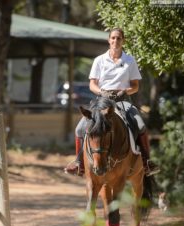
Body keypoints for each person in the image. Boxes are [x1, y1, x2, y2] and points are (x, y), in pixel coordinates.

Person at [65, 28, 160, 177]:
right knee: (79, 129)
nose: (116, 41)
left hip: (123, 101)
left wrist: (125, 91)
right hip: (102, 100)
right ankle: (79, 163)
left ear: (124, 41)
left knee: (140, 125)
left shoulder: (130, 60)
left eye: (119, 38)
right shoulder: (99, 60)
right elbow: (92, 84)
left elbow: (135, 86)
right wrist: (101, 92)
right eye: (113, 38)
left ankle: (147, 162)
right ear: (109, 40)